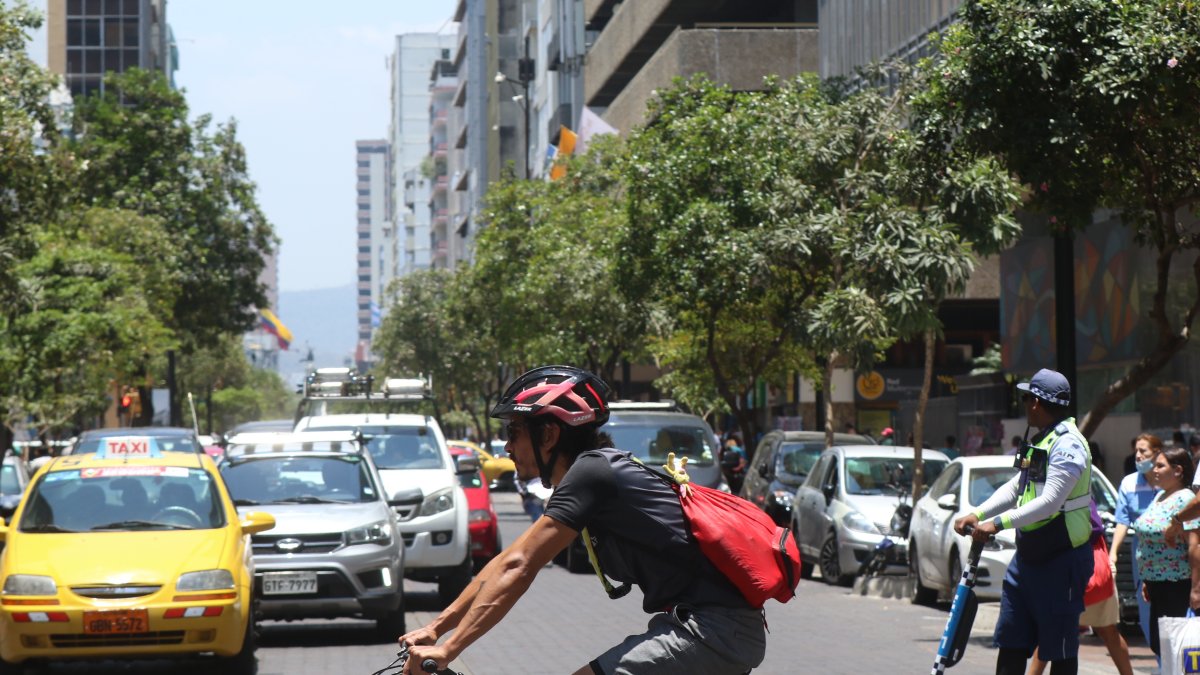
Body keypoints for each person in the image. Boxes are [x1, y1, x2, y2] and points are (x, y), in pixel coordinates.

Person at [398, 366, 766, 675]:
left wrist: (449, 650)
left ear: (549, 433)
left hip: (713, 630)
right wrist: (435, 628)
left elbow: (519, 566)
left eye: (513, 432)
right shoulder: (593, 472)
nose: (507, 447)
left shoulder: (593, 473)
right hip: (705, 626)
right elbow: (507, 560)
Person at [954, 368, 1094, 675]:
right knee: (1011, 641)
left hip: (1062, 558)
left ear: (1036, 403)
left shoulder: (1068, 445)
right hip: (1028, 557)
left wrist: (998, 523)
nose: (1024, 403)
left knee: (1059, 651)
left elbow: (1050, 502)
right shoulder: (1041, 439)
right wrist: (978, 514)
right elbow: (1018, 487)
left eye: (1027, 397)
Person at [1133, 446, 1196, 663]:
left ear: (1178, 471)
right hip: (1155, 582)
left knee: (1177, 646)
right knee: (1160, 644)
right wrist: (1146, 577)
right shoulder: (1160, 495)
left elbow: (1194, 546)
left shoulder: (1186, 499)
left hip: (1176, 584)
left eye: (1161, 465)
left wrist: (1197, 588)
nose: (1155, 470)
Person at [1110, 433, 1161, 644]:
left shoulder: (1167, 480)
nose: (1138, 456)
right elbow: (1122, 521)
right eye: (1136, 451)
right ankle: (1160, 659)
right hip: (1141, 554)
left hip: (1170, 552)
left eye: (1144, 451)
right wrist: (1113, 553)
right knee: (1146, 610)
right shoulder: (1129, 483)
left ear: (1157, 453)